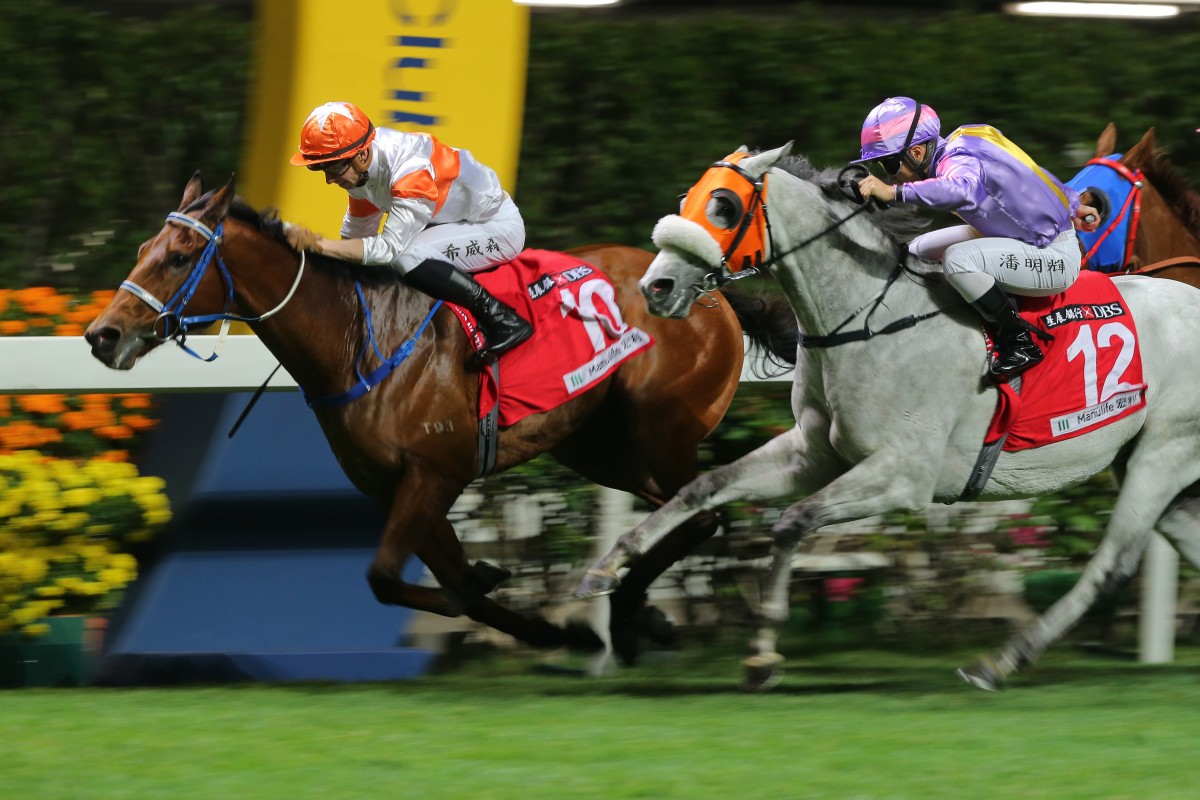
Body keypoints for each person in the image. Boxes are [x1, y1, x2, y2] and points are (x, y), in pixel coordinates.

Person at [853, 97, 1100, 378]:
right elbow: (1027, 168)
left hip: (1053, 256)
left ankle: (1019, 342)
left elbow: (961, 190)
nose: (889, 176)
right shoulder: (967, 136)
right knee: (915, 250)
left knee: (958, 260)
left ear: (918, 152)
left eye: (889, 165)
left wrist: (895, 193)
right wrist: (1071, 204)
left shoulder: (957, 160)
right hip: (1014, 235)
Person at [284, 101, 532, 361]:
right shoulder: (362, 171)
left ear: (361, 155)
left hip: (495, 227)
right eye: (320, 168)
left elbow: (389, 250)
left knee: (406, 257)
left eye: (332, 167)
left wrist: (320, 244)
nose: (329, 179)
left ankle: (503, 319)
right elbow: (355, 239)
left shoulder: (409, 169)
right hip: (453, 224)